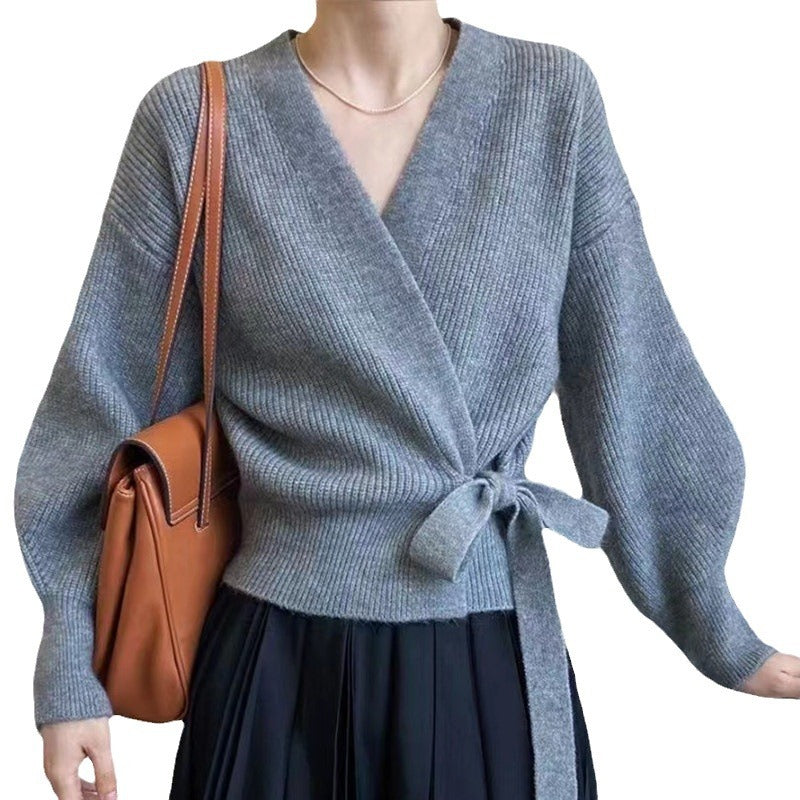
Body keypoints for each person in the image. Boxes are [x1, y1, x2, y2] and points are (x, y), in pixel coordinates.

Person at [14, 3, 800, 800]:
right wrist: (71, 667)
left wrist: (715, 626)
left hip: (487, 658)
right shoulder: (196, 118)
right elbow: (100, 406)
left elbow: (632, 376)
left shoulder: (550, 100)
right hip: (274, 668)